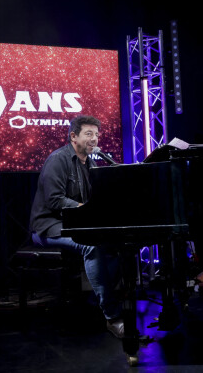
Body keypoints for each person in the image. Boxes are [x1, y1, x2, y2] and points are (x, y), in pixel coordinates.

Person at [29, 115, 124, 338]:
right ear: (74, 136)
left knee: (120, 243)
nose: (94, 139)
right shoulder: (58, 160)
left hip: (77, 224)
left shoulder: (91, 161)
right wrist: (85, 208)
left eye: (97, 135)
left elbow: (97, 198)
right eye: (89, 134)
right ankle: (112, 316)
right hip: (48, 227)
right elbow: (54, 200)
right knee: (90, 246)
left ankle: (100, 295)